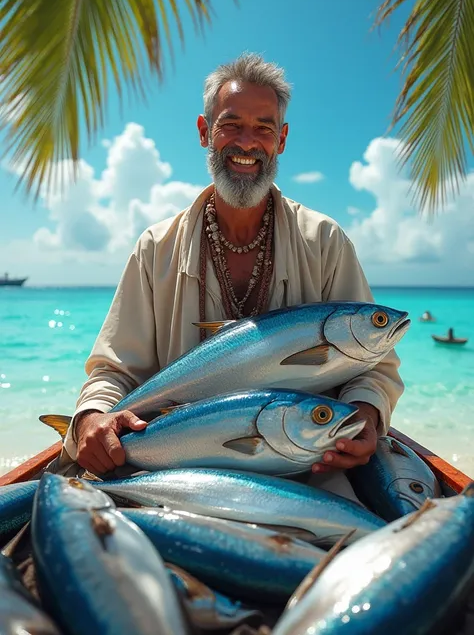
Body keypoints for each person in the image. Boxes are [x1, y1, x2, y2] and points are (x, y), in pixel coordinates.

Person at [62, 53, 404, 501]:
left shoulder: (323, 240)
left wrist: (363, 416)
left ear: (281, 141)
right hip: (173, 470)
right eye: (231, 125)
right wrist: (92, 417)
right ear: (205, 132)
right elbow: (113, 369)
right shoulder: (155, 248)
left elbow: (374, 366)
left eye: (264, 128)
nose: (247, 143)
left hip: (307, 470)